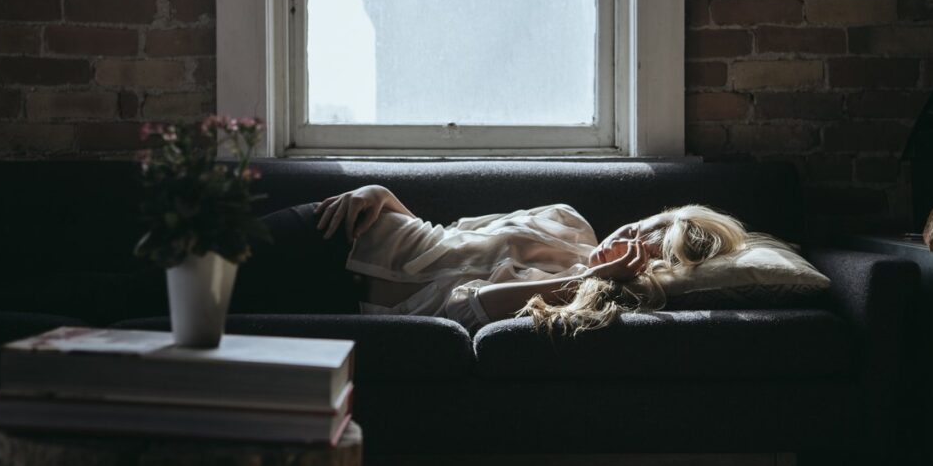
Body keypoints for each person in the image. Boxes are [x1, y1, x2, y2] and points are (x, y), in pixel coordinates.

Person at [294, 184, 748, 334]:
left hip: (344, 306)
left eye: (645, 248)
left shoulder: (588, 297)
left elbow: (462, 306)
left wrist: (594, 276)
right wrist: (382, 195)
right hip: (344, 231)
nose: (626, 238)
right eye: (638, 227)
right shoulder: (566, 219)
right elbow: (451, 234)